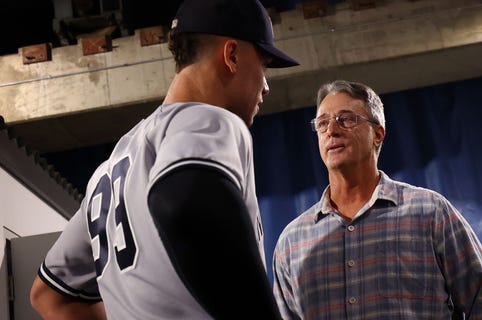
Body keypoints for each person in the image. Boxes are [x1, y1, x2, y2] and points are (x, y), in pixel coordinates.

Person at [29, 0, 299, 319]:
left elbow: (48, 295)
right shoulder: (212, 119)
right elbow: (182, 198)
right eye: (264, 64)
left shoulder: (112, 168)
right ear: (232, 55)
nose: (266, 85)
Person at [272, 80, 482, 319]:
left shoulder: (430, 213)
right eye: (322, 123)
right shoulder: (292, 241)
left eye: (346, 119)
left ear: (378, 134)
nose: (331, 130)